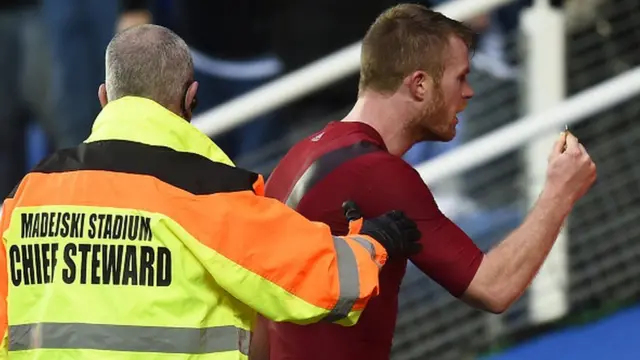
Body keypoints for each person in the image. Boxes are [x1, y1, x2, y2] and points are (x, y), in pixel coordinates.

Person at [0, 24, 423, 359]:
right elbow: (326, 282)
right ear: (192, 98)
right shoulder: (207, 193)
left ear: (104, 97)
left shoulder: (28, 195)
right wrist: (377, 242)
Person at [255, 4, 597, 360]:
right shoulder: (377, 173)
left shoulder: (299, 156)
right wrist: (560, 191)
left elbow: (259, 323)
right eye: (460, 78)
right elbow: (494, 287)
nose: (469, 92)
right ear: (419, 85)